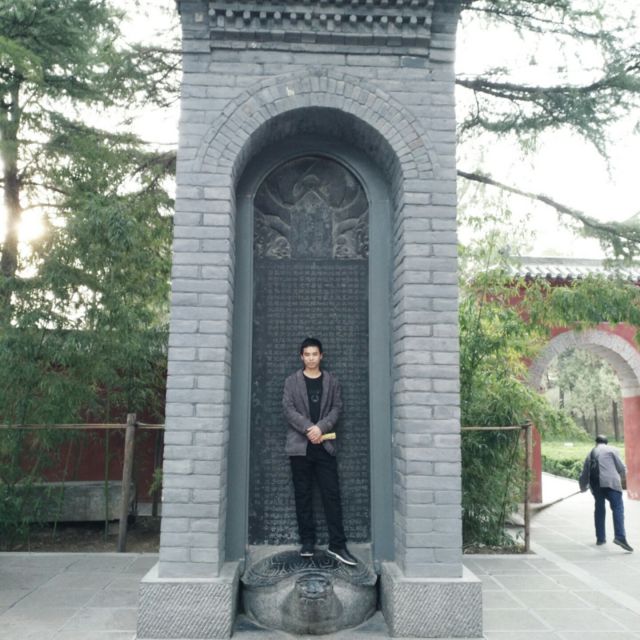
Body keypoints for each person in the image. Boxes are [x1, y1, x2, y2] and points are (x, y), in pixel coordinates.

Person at [282, 337, 357, 566]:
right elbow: (288, 409)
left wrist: (320, 428)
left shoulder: (331, 381)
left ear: (321, 356)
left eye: (315, 354)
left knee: (331, 495)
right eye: (307, 354)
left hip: (324, 445)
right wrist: (308, 428)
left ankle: (337, 545)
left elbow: (337, 408)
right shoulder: (291, 382)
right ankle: (307, 542)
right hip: (300, 447)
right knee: (303, 495)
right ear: (301, 357)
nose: (311, 358)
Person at [579, 434, 633, 552]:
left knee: (599, 509)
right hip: (611, 483)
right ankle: (619, 537)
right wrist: (621, 479)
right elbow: (622, 468)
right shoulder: (612, 450)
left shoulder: (590, 453)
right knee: (617, 508)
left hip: (596, 486)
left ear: (596, 442)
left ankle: (600, 538)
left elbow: (584, 473)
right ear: (606, 442)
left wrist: (583, 487)